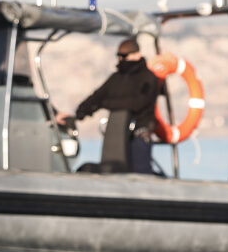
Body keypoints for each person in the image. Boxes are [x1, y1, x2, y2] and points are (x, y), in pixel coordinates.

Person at [58, 38, 163, 175]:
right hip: (117, 134)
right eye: (119, 56)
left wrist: (106, 104)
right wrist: (77, 115)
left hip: (139, 134)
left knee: (140, 173)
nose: (121, 59)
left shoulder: (148, 78)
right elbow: (96, 97)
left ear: (137, 54)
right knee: (111, 169)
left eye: (124, 56)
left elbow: (137, 103)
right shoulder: (116, 78)